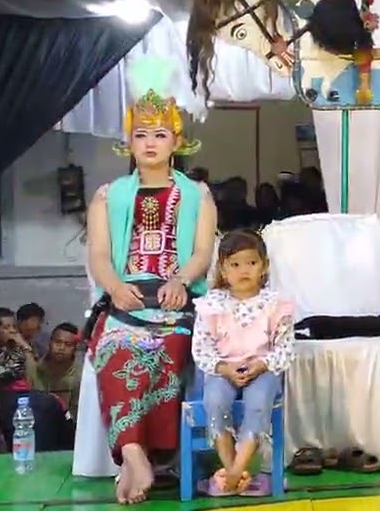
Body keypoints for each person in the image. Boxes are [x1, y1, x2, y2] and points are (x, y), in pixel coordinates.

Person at [85, 55, 217, 505]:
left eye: (159, 134)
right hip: (124, 300)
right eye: (141, 134)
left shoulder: (197, 194)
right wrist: (114, 288)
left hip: (174, 301)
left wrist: (181, 279)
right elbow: (100, 255)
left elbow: (203, 252)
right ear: (129, 141)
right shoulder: (108, 196)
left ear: (176, 140)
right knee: (115, 347)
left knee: (168, 347)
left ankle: (146, 455)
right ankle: (134, 453)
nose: (150, 143)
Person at [192, 229, 294, 497]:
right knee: (214, 399)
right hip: (223, 369)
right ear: (223, 270)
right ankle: (233, 472)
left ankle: (236, 473)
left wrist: (261, 365)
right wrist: (223, 368)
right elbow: (201, 349)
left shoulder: (275, 305)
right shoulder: (211, 305)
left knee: (259, 402)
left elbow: (285, 349)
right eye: (234, 265)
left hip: (262, 371)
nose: (243, 270)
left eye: (251, 262)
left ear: (264, 266)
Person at [34, 323, 82, 412]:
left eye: (68, 344)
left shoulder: (82, 375)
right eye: (57, 342)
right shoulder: (36, 369)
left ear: (75, 348)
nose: (61, 348)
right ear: (49, 342)